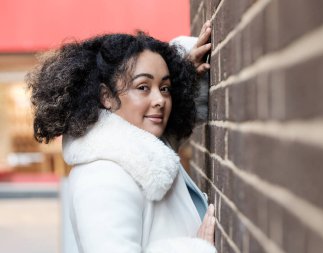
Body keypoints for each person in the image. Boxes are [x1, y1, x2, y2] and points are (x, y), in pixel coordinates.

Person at [27, 21, 216, 253]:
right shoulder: (102, 177)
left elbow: (181, 118)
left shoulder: (145, 150)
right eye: (143, 87)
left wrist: (185, 69)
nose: (160, 99)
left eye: (165, 87)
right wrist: (195, 249)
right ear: (106, 96)